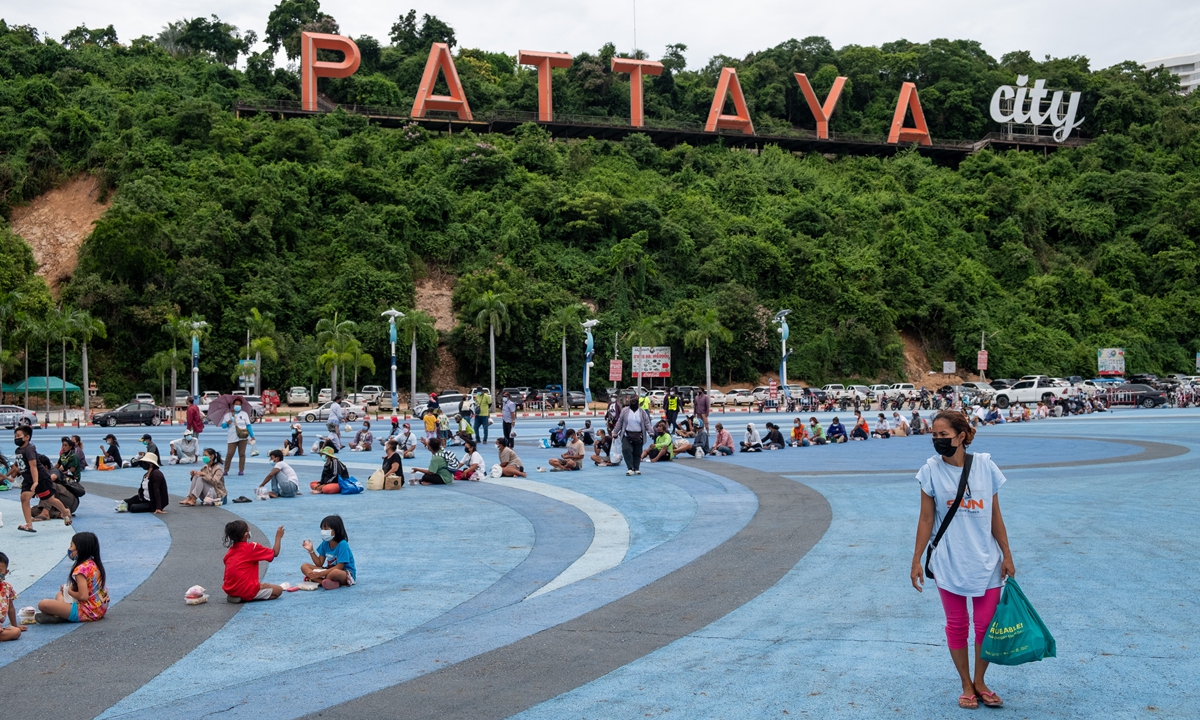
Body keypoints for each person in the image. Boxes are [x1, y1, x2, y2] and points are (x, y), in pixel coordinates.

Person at [910, 410, 1015, 711]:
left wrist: (1007, 554)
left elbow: (995, 515)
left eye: (943, 435)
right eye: (934, 435)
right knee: (957, 625)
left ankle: (980, 681)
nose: (937, 441)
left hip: (986, 561)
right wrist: (916, 559)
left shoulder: (985, 466)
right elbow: (926, 518)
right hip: (949, 560)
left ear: (961, 435)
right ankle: (965, 683)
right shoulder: (930, 470)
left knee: (985, 627)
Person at [35, 532, 109, 624]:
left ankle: (61, 616)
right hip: (100, 609)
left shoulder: (80, 569)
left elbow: (83, 596)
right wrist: (67, 588)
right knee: (60, 595)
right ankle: (59, 615)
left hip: (88, 612)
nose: (69, 549)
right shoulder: (93, 563)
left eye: (71, 546)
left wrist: (69, 591)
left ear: (79, 550)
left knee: (43, 604)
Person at [9, 425, 71, 532]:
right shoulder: (18, 451)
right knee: (24, 498)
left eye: (19, 436)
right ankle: (29, 524)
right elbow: (21, 466)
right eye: (15, 436)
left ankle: (65, 511)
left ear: (27, 437)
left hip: (40, 478)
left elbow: (33, 466)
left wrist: (36, 481)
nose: (16, 438)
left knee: (50, 499)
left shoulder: (29, 450)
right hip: (28, 479)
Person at [222, 520, 285, 603]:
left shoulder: (230, 551)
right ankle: (245, 597)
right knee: (278, 590)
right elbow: (275, 553)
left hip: (230, 589)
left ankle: (237, 595)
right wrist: (278, 537)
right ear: (246, 535)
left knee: (261, 586)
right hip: (245, 589)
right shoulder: (252, 547)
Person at [302, 515, 356, 590]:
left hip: (344, 572)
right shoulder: (325, 543)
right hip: (329, 570)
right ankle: (324, 582)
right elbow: (319, 563)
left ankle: (315, 579)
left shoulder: (342, 544)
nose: (323, 531)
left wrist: (320, 574)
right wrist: (311, 551)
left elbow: (340, 566)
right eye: (322, 529)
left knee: (335, 573)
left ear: (335, 531)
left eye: (325, 529)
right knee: (304, 566)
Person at [614, 396, 653, 476]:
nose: (633, 402)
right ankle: (630, 468)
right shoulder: (625, 411)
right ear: (629, 402)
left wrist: (651, 432)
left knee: (637, 452)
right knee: (626, 450)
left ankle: (636, 468)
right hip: (627, 434)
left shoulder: (642, 412)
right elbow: (620, 422)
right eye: (632, 400)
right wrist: (615, 432)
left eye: (635, 400)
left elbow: (647, 423)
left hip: (639, 435)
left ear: (638, 402)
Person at [222, 399, 252, 476]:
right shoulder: (227, 415)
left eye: (239, 404)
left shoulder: (244, 414)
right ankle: (225, 470)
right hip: (232, 437)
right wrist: (227, 423)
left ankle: (241, 470)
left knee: (242, 454)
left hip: (242, 437)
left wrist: (252, 435)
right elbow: (223, 426)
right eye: (236, 404)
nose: (237, 406)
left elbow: (248, 425)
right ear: (233, 405)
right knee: (230, 454)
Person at [0, 551, 23, 641]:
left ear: (6, 572)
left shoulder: (7, 588)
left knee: (16, 631)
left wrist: (15, 625)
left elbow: (11, 608)